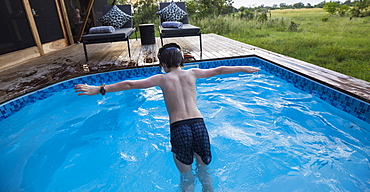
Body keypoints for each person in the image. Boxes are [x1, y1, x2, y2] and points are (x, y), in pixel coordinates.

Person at [74, 43, 260, 191]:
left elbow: (130, 84)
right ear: (182, 61)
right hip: (199, 126)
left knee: (187, 179)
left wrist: (100, 89)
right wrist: (243, 67)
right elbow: (219, 70)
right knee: (205, 173)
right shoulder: (192, 73)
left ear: (163, 64)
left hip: (180, 129)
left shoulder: (162, 79)